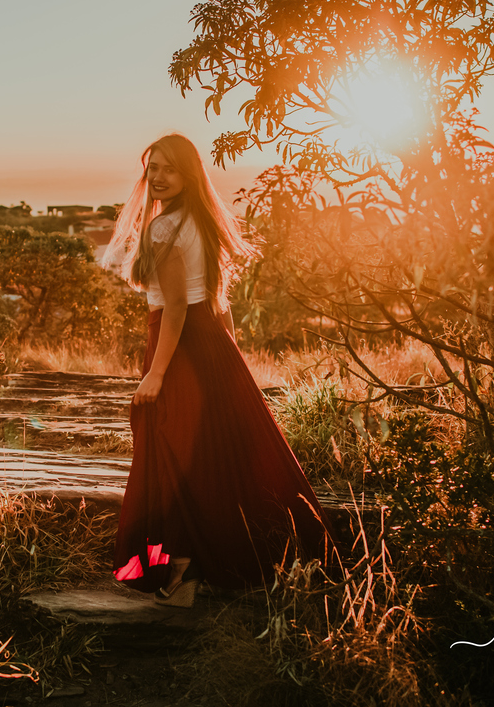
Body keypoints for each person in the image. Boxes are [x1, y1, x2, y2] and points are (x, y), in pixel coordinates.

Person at [102, 133, 331, 608]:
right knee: (211, 455)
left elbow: (178, 309)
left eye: (168, 168)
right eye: (152, 168)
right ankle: (206, 567)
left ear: (188, 174)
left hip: (180, 347)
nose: (158, 177)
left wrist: (157, 374)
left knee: (168, 453)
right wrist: (230, 352)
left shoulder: (164, 229)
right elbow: (216, 301)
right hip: (211, 345)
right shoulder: (199, 221)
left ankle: (179, 574)